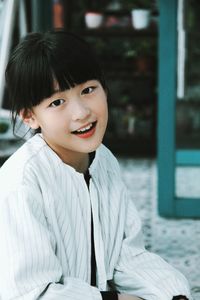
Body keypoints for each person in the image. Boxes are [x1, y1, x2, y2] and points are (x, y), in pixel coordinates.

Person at [0, 30, 191, 300]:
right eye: (57, 102)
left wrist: (174, 295)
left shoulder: (104, 161)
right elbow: (31, 293)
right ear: (29, 116)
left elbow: (127, 256)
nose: (81, 113)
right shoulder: (21, 183)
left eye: (88, 90)